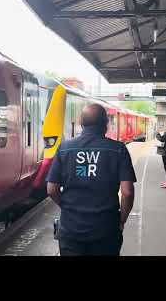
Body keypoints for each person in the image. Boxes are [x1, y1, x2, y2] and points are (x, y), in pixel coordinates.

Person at [46, 103, 136, 256]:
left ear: (81, 123)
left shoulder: (65, 148)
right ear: (105, 124)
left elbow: (51, 189)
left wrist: (67, 207)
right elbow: (127, 192)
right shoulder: (118, 149)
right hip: (106, 230)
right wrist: (122, 220)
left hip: (71, 230)